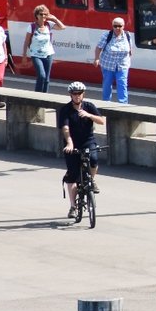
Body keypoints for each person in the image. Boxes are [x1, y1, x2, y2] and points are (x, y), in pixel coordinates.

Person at [58, 81, 105, 218]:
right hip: (72, 143)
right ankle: (73, 206)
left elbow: (101, 121)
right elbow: (65, 128)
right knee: (72, 175)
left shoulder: (89, 106)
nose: (77, 96)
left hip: (87, 141)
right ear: (70, 95)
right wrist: (69, 143)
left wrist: (89, 115)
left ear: (83, 94)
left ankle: (91, 180)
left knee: (94, 160)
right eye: (74, 94)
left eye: (79, 94)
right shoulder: (66, 110)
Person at [23, 5, 65, 93]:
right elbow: (26, 42)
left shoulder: (49, 25)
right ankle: (37, 97)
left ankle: (44, 98)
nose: (43, 16)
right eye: (41, 14)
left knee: (46, 79)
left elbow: (62, 27)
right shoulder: (32, 27)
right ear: (36, 15)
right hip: (36, 55)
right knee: (41, 75)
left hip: (48, 54)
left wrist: (55, 19)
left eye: (45, 14)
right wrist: (24, 56)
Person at [94, 18, 133, 104]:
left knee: (122, 84)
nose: (117, 28)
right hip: (108, 65)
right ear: (112, 26)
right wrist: (97, 58)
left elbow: (130, 49)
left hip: (122, 65)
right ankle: (106, 102)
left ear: (123, 26)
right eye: (115, 26)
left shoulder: (127, 35)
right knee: (107, 84)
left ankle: (123, 104)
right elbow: (99, 47)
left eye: (120, 26)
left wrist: (129, 58)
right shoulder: (107, 35)